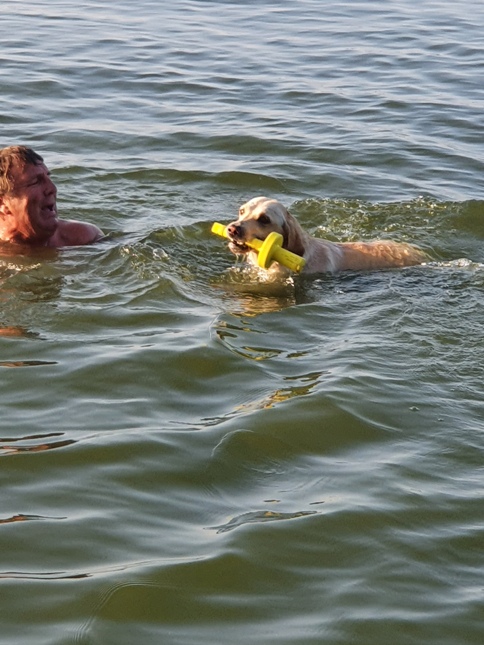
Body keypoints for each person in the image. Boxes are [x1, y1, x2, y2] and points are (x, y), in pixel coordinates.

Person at [0, 145, 103, 247]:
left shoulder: (86, 238)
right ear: (2, 203)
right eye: (35, 182)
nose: (52, 189)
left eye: (48, 177)